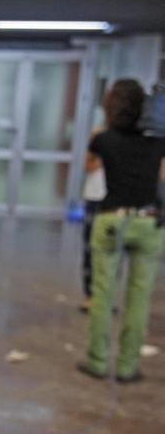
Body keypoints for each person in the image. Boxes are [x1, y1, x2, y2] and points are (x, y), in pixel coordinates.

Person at [78, 79, 165, 383]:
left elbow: (90, 163)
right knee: (139, 298)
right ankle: (128, 367)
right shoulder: (158, 141)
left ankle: (97, 361)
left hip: (112, 218)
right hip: (149, 221)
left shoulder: (103, 139)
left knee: (103, 294)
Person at [79, 128, 106, 313]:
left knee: (109, 252)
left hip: (113, 201)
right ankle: (90, 295)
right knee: (90, 249)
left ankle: (104, 295)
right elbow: (88, 166)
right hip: (94, 198)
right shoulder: (99, 136)